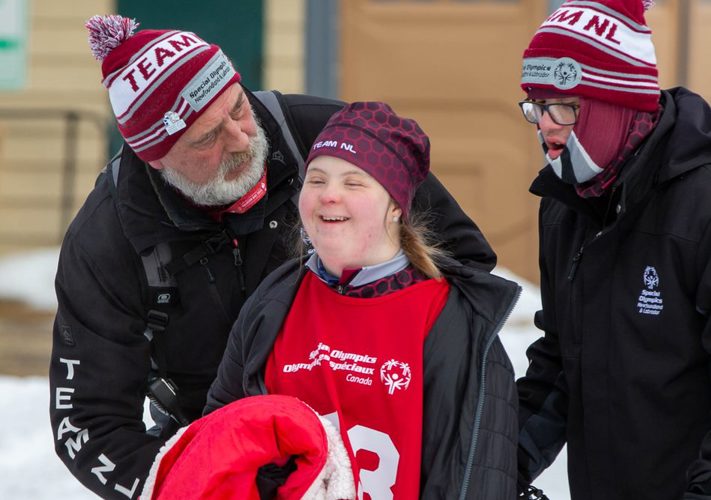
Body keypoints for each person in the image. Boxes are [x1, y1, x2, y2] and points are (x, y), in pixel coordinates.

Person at [48, 15, 498, 500]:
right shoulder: (107, 238)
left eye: (238, 109)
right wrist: (190, 486)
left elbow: (461, 263)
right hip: (221, 452)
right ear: (154, 158)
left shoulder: (326, 140)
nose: (241, 139)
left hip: (387, 443)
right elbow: (88, 423)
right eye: (206, 138)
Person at [201, 101, 521, 499]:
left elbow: (475, 480)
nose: (329, 196)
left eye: (354, 183)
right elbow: (220, 449)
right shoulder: (274, 302)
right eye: (316, 180)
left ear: (394, 208)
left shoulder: (449, 319)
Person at [515, 0, 711, 498]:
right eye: (536, 106)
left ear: (619, 104)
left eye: (563, 106)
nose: (545, 125)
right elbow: (562, 363)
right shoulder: (565, 205)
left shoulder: (702, 205)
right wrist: (498, 463)